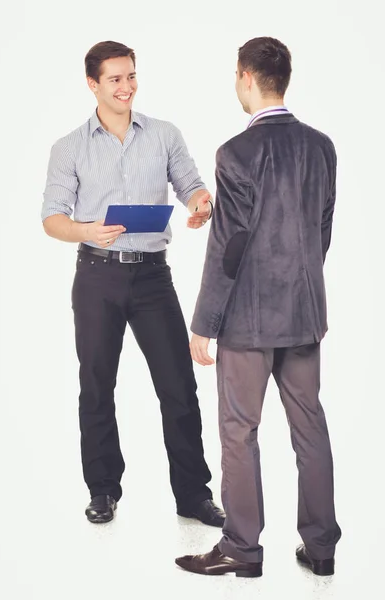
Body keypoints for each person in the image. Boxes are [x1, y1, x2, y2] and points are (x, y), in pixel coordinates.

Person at [175, 36, 341, 577]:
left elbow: (229, 248)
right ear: (282, 78)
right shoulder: (322, 147)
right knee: (310, 427)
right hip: (304, 314)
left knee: (239, 432)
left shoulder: (235, 153)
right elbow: (321, 232)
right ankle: (321, 548)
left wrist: (203, 323)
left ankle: (242, 550)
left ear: (246, 76)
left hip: (248, 321)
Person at [41, 40, 225, 528]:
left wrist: (200, 205)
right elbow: (51, 219)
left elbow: (192, 185)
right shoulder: (68, 147)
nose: (126, 87)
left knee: (178, 385)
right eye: (115, 79)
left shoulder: (163, 134)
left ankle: (193, 494)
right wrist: (86, 230)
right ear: (92, 85)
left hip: (152, 277)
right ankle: (103, 490)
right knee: (97, 384)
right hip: (96, 274)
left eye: (131, 76)